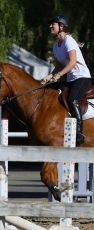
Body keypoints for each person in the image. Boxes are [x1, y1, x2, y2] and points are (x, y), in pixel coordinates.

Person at [41, 15, 92, 144]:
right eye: (50, 24)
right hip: (70, 78)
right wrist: (50, 76)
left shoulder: (68, 41)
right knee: (50, 90)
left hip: (82, 77)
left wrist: (59, 75)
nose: (50, 26)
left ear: (61, 26)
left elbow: (73, 62)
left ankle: (79, 133)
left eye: (53, 24)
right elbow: (59, 65)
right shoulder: (55, 46)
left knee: (72, 99)